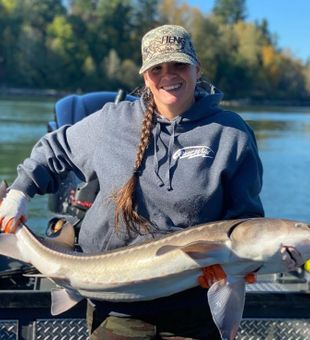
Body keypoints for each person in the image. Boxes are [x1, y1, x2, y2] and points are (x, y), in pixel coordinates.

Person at [0, 24, 301, 339]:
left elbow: (244, 222)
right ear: (145, 76)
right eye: (157, 68)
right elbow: (51, 150)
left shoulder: (232, 134)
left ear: (197, 70)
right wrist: (20, 191)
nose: (168, 75)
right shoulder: (110, 122)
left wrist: (260, 264)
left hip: (192, 314)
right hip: (115, 313)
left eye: (179, 65)